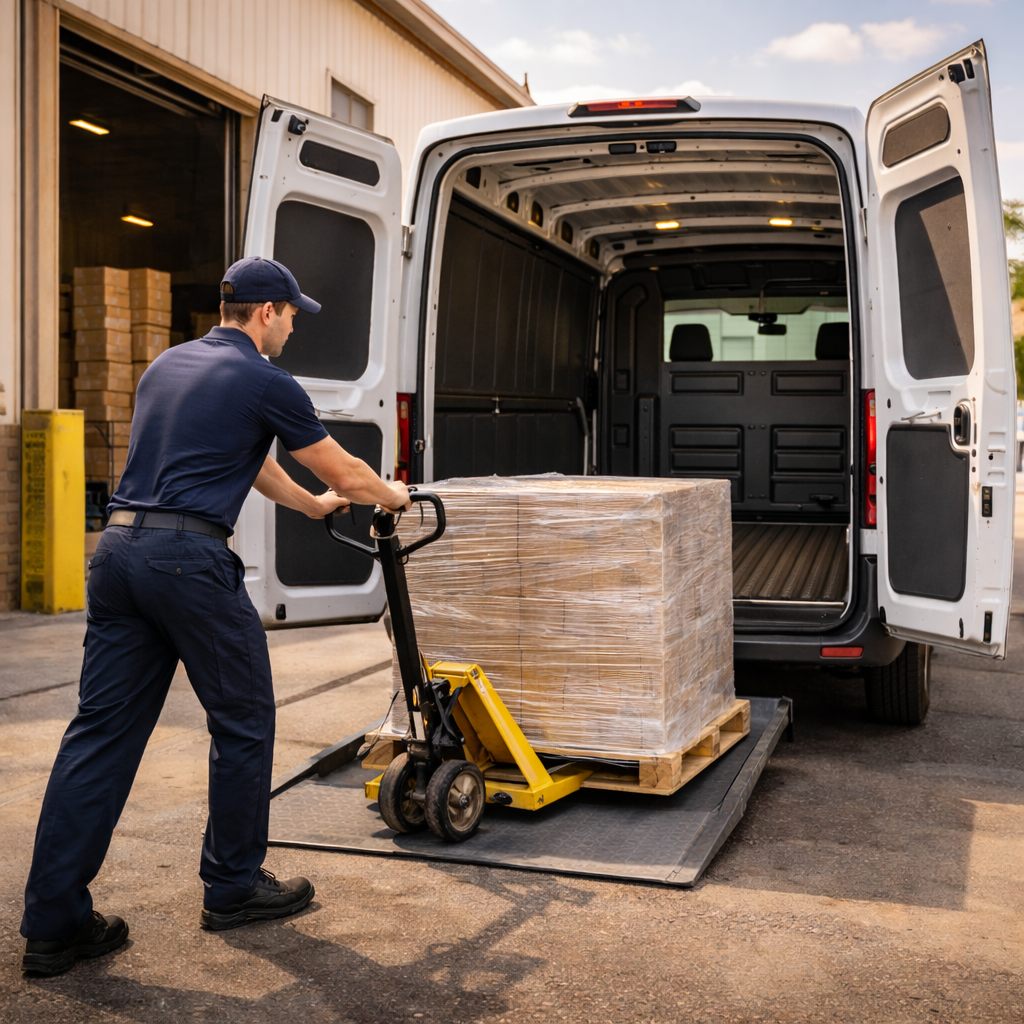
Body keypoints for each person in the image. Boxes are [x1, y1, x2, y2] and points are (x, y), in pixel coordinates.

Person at [21, 257, 410, 976]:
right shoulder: (267, 379)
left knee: (99, 734)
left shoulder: (166, 367)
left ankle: (54, 922)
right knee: (243, 717)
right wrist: (393, 498)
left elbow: (248, 461)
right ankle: (232, 887)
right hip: (187, 564)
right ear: (266, 313)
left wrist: (311, 507)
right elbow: (346, 471)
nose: (294, 325)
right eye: (292, 314)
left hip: (117, 555)